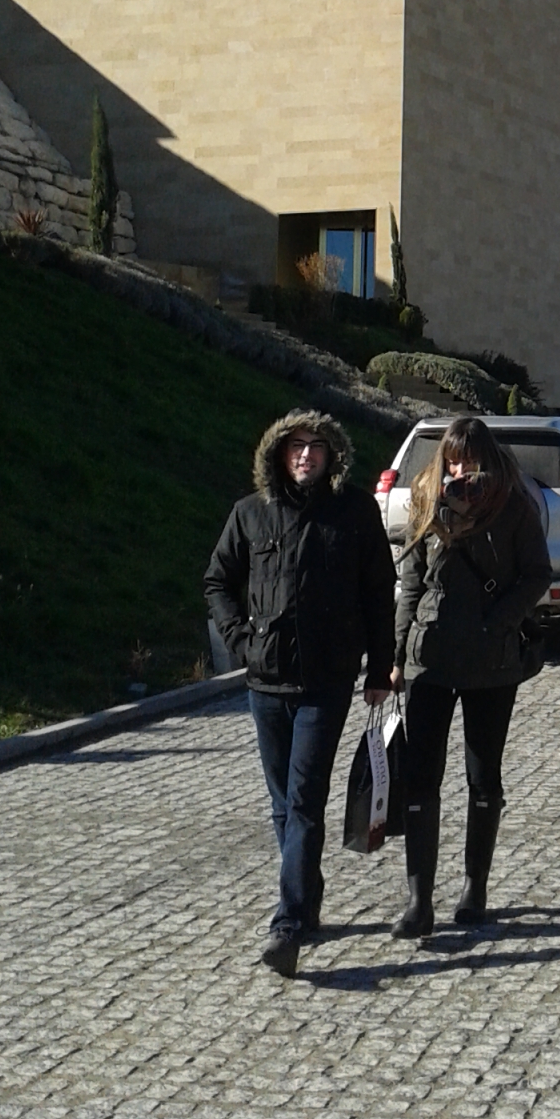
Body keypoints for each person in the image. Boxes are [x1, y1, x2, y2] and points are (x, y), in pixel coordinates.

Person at [205, 409, 395, 978]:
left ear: (332, 455)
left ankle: (286, 923)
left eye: (316, 446)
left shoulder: (355, 512)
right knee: (283, 804)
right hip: (265, 681)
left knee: (305, 799)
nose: (306, 454)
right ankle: (307, 899)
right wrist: (241, 641)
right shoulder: (250, 513)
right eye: (296, 445)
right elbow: (218, 581)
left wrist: (380, 668)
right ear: (279, 453)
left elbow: (378, 592)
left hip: (326, 681)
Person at [388, 417, 553, 941]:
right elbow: (411, 581)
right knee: (421, 777)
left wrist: (497, 621)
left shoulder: (512, 503)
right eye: (452, 461)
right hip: (431, 657)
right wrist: (397, 653)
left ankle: (474, 888)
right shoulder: (426, 497)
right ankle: (419, 901)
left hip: (491, 663)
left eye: (469, 461)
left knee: (483, 776)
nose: (459, 471)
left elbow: (537, 573)